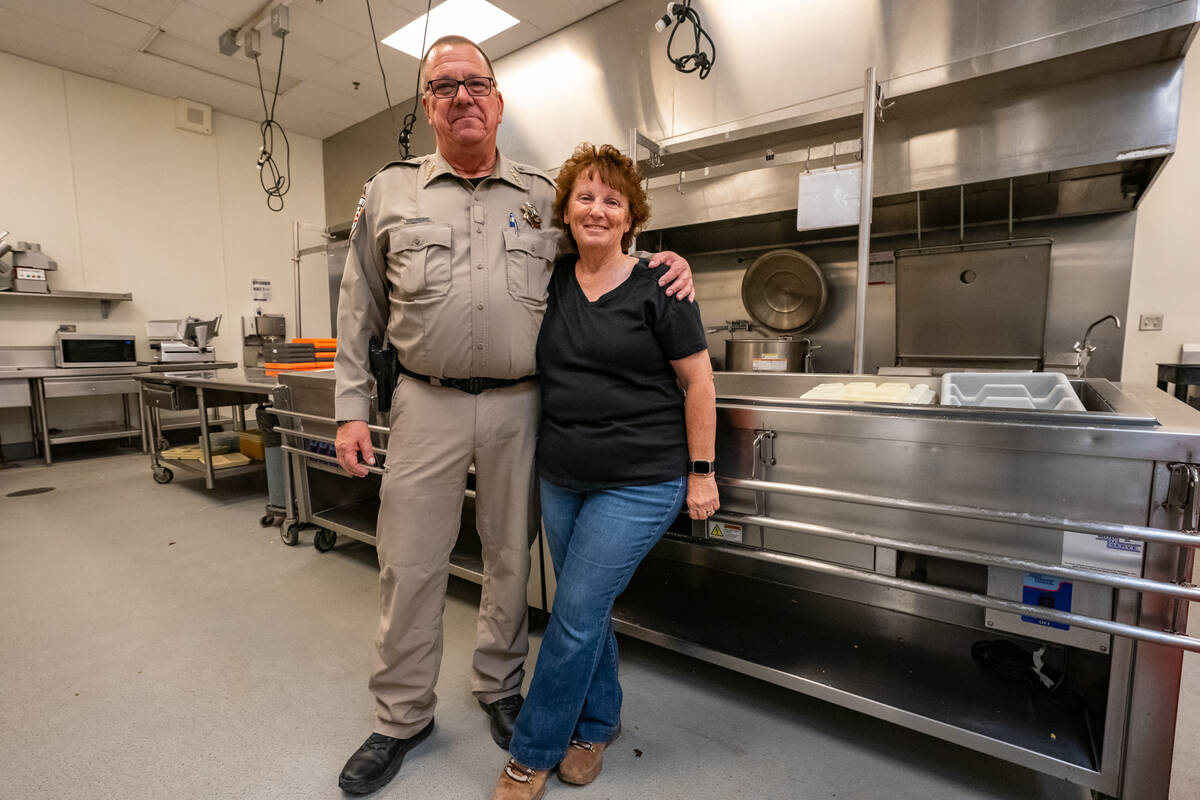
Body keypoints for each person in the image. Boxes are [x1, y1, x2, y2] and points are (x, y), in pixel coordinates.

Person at [333, 37, 696, 796]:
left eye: (476, 85)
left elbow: (607, 245)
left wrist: (669, 259)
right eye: (445, 86)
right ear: (427, 105)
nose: (462, 97)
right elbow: (358, 307)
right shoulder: (390, 192)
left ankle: (501, 688)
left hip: (523, 409)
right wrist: (351, 410)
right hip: (424, 402)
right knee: (410, 563)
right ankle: (401, 716)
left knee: (509, 558)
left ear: (497, 103)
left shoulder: (541, 195)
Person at [489, 143, 718, 800]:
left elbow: (699, 384)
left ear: (630, 218)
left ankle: (531, 754)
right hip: (563, 477)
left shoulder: (660, 285)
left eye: (612, 200)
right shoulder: (552, 279)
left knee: (574, 612)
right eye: (585, 196)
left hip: (642, 480)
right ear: (566, 208)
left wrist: (701, 473)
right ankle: (596, 726)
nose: (597, 208)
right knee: (586, 613)